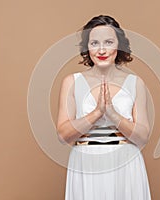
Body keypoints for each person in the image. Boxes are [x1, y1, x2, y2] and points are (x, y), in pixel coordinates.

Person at [56, 15, 152, 200]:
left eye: (108, 42)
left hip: (126, 166)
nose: (101, 49)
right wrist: (97, 113)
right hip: (86, 164)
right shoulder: (72, 82)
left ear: (119, 45)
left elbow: (142, 137)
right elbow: (62, 135)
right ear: (87, 47)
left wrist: (113, 115)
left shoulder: (135, 83)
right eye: (94, 43)